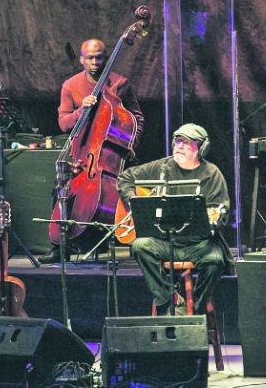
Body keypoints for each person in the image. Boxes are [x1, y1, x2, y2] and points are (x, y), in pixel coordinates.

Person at [38, 38, 145, 264]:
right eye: (90, 58)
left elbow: (137, 117)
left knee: (128, 191)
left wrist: (130, 144)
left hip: (111, 156)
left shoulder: (120, 84)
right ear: (81, 60)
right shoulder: (71, 86)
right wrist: (81, 110)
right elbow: (63, 123)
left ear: (106, 58)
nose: (94, 63)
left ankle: (136, 244)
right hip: (83, 156)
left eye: (99, 58)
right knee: (61, 188)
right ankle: (59, 247)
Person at [117, 123, 232, 315]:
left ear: (201, 148)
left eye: (186, 143)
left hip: (198, 244)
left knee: (214, 260)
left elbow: (219, 211)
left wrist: (212, 220)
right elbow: (125, 178)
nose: (179, 146)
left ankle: (196, 311)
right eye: (178, 141)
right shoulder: (163, 167)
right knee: (140, 246)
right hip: (165, 241)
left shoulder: (212, 175)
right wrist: (135, 203)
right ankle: (169, 300)